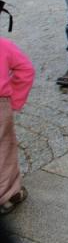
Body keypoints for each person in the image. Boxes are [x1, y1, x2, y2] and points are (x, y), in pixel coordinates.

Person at [0, 32, 35, 215]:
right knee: (4, 149)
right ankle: (6, 195)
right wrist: (15, 100)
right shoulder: (3, 45)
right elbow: (26, 70)